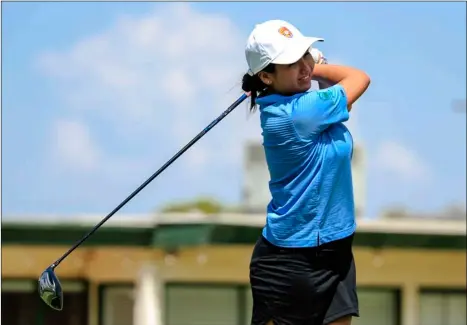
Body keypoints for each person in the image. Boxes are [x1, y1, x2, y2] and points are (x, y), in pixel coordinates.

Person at [241, 19, 371, 325]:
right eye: (292, 62)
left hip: (336, 250)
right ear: (265, 76)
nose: (302, 67)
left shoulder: (305, 105)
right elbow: (359, 78)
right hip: (289, 262)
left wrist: (308, 66)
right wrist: (318, 67)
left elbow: (342, 101)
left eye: (304, 55)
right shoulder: (299, 113)